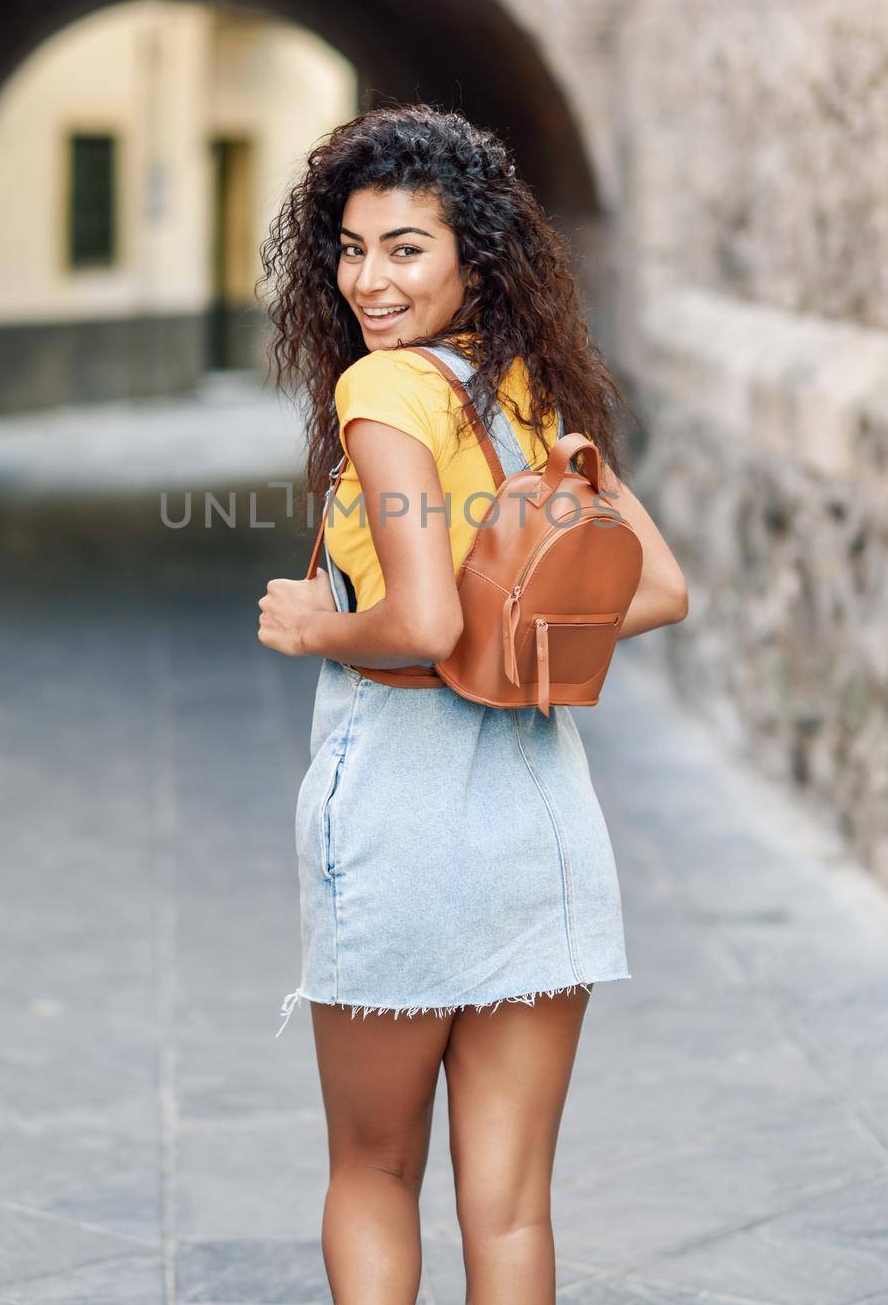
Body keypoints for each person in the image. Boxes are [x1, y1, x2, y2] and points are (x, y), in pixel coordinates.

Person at [256, 103, 688, 1305]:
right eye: (350, 247)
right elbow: (660, 588)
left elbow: (424, 623)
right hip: (539, 823)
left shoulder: (383, 391)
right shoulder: (535, 394)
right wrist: (519, 638)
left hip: (403, 822)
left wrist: (314, 625)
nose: (368, 280)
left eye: (406, 248)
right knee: (508, 1209)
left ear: (469, 254)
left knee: (374, 1168)